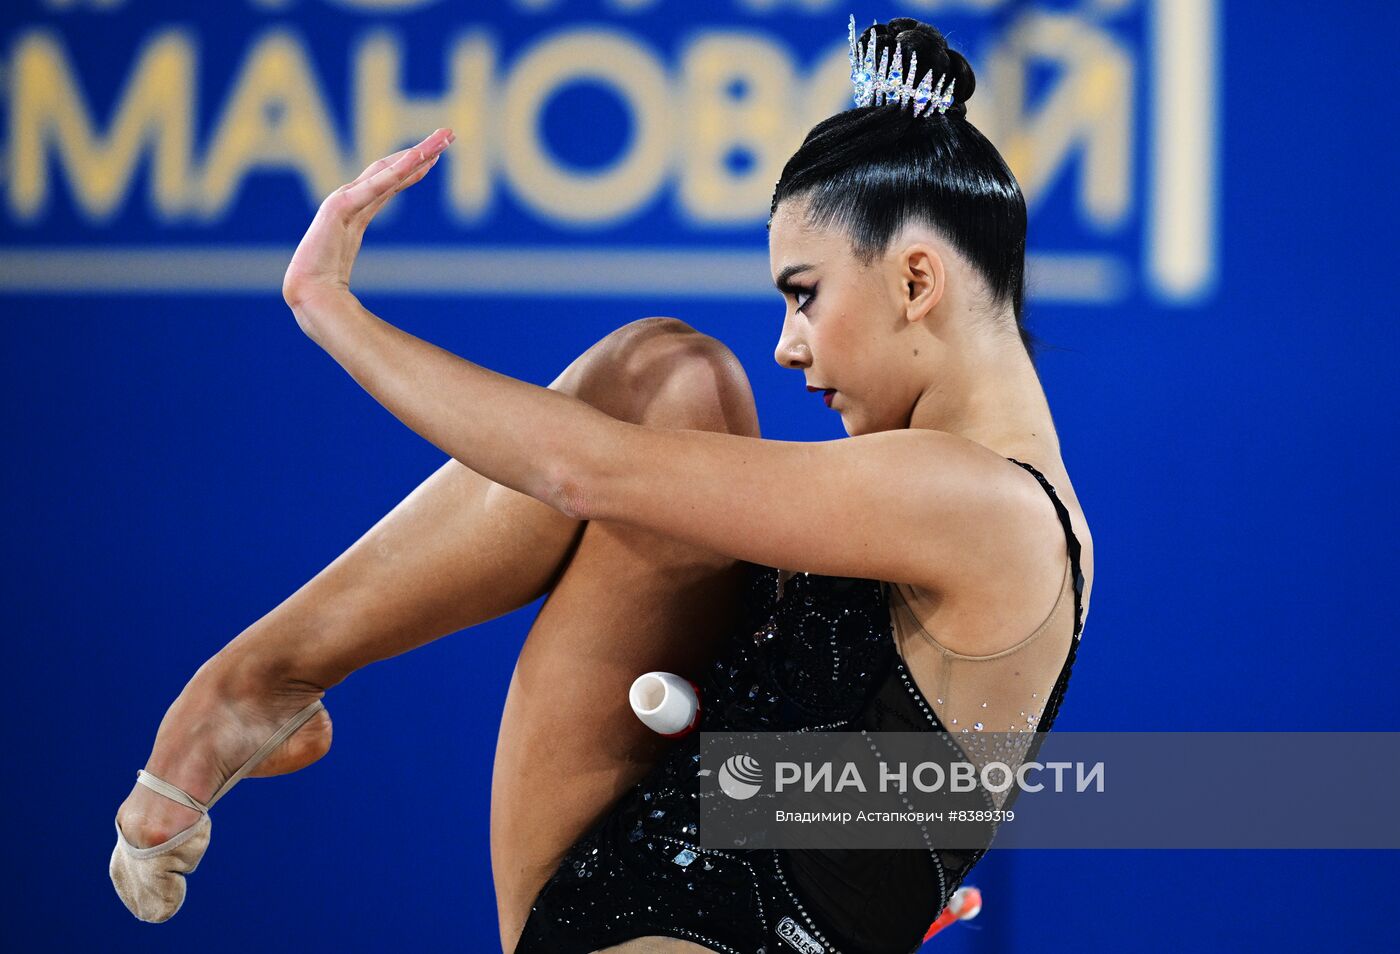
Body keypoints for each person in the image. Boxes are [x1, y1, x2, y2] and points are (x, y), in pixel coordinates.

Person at [109, 14, 1094, 952]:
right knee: (671, 380)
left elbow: (580, 470)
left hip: (660, 918)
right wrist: (889, 849)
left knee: (650, 399)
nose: (787, 347)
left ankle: (256, 679)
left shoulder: (978, 502)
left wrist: (327, 306)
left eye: (804, 294)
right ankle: (259, 683)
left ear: (916, 283)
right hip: (648, 875)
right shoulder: (1013, 513)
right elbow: (802, 779)